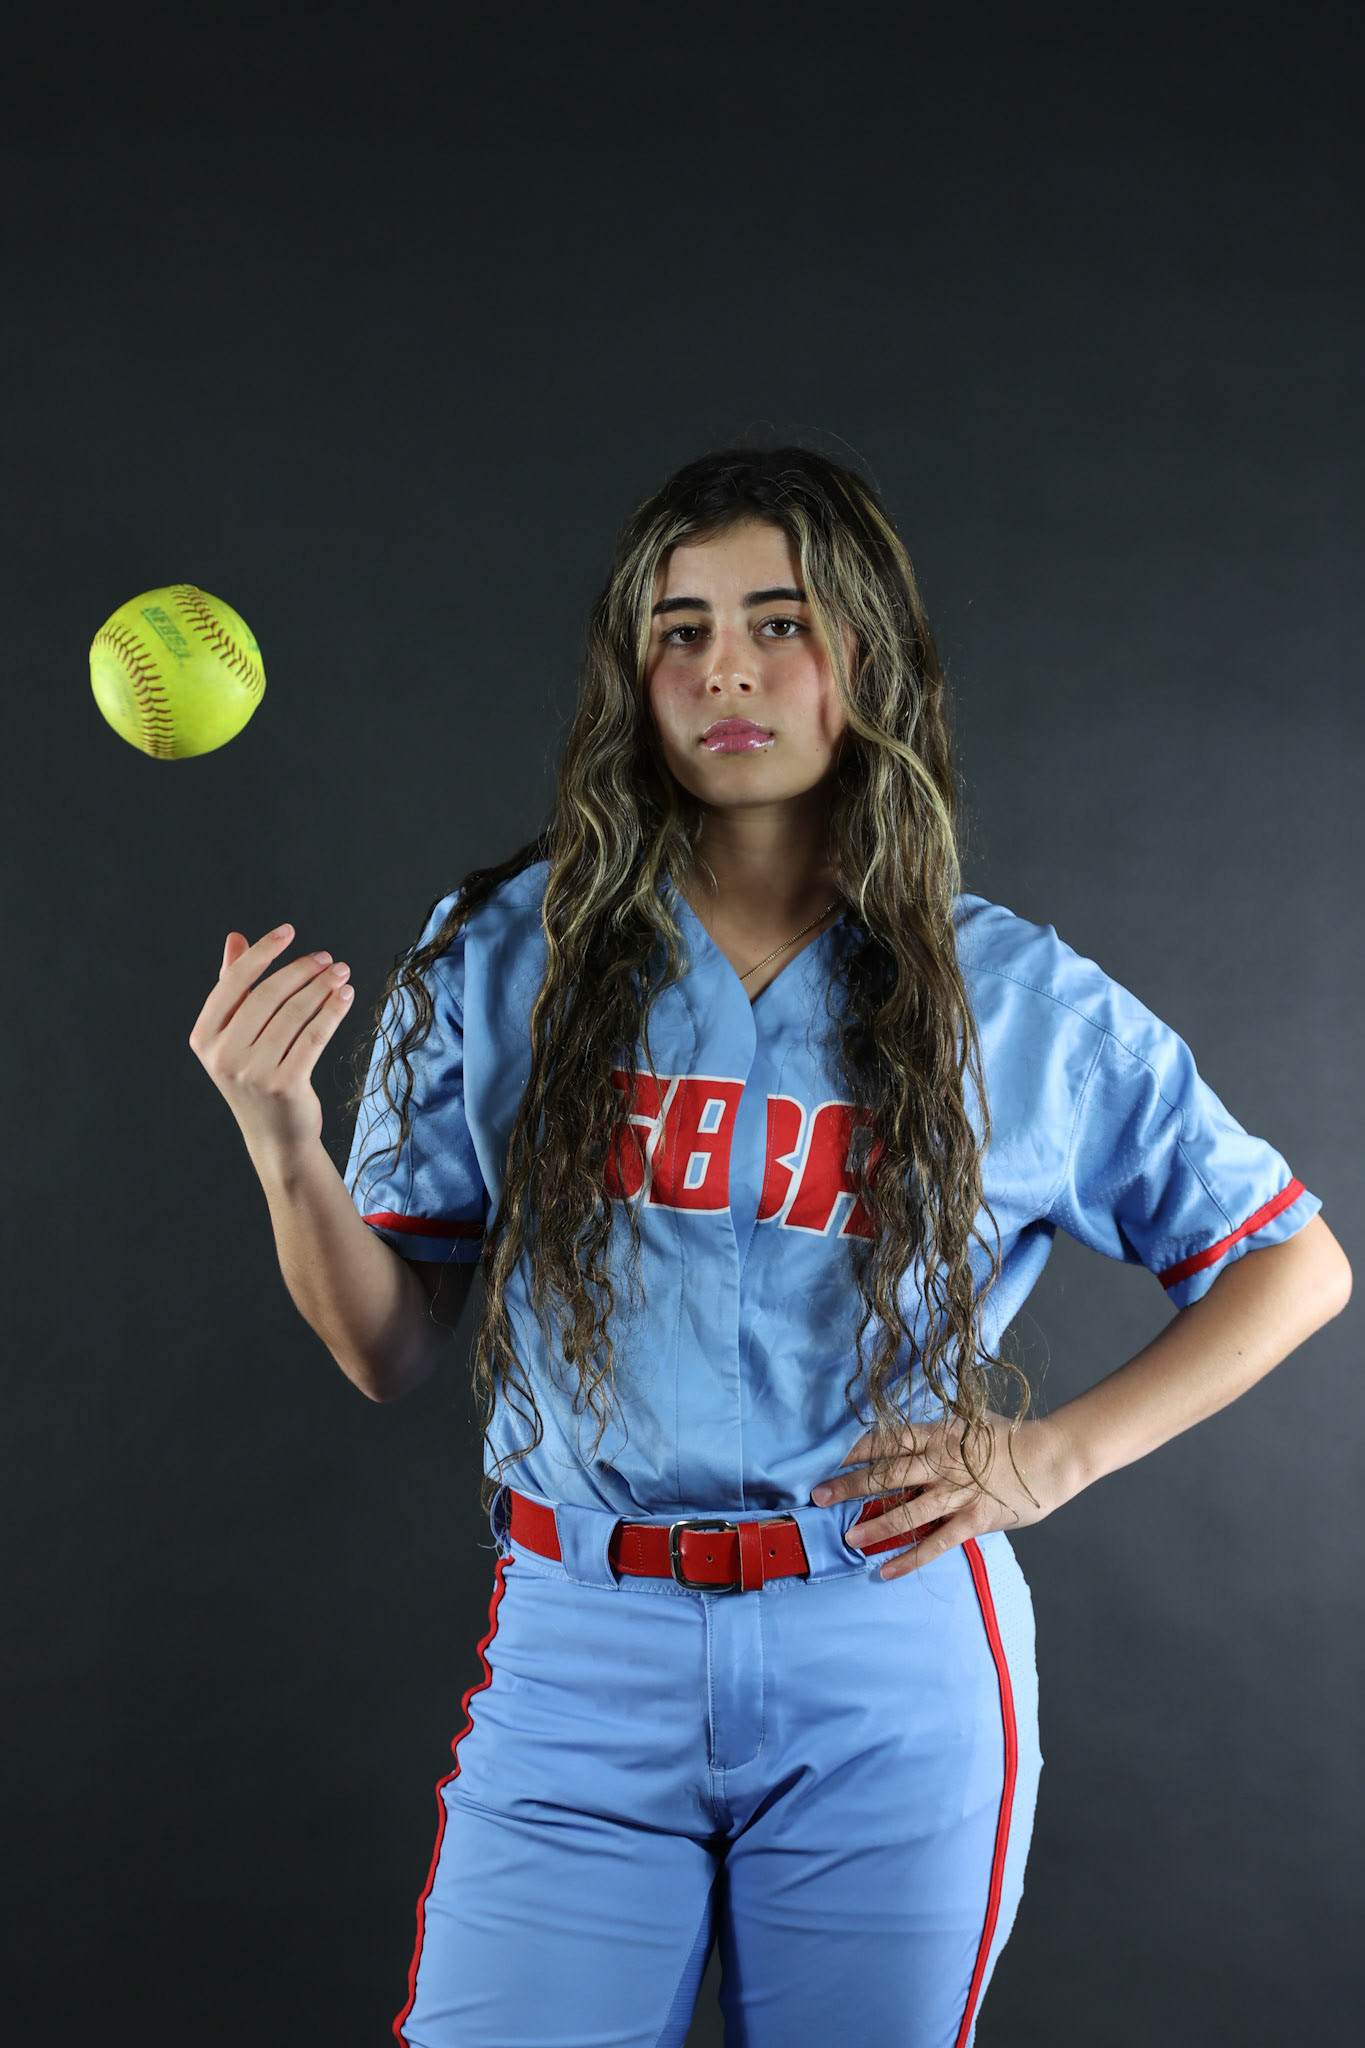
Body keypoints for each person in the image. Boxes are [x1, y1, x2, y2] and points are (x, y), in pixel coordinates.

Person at [189, 446, 1351, 2048]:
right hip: (582, 1644)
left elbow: (1293, 1259)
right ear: (631, 676)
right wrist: (281, 1142)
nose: (724, 664)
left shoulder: (1001, 992)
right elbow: (386, 1347)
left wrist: (1052, 1459)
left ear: (865, 656)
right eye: (677, 629)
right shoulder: (501, 951)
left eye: (777, 619)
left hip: (882, 1648)